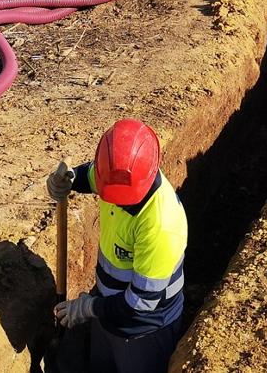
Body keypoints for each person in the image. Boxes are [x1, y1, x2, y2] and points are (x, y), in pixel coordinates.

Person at [45, 119, 188, 373]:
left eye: (123, 200)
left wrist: (89, 307)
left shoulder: (161, 226)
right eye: (105, 191)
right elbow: (90, 176)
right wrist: (69, 180)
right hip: (108, 311)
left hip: (144, 329)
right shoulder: (111, 179)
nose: (114, 203)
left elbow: (141, 303)